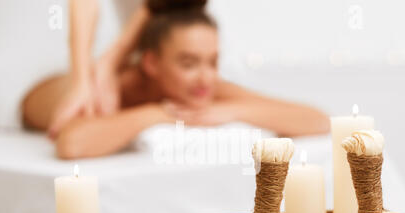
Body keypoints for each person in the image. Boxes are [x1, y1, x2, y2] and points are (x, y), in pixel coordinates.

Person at [21, 0, 330, 159]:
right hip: (21, 95)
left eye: (213, 61)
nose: (206, 77)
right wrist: (156, 115)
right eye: (188, 63)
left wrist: (232, 110)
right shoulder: (115, 89)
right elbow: (72, 145)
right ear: (151, 63)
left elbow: (316, 121)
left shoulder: (204, 85)